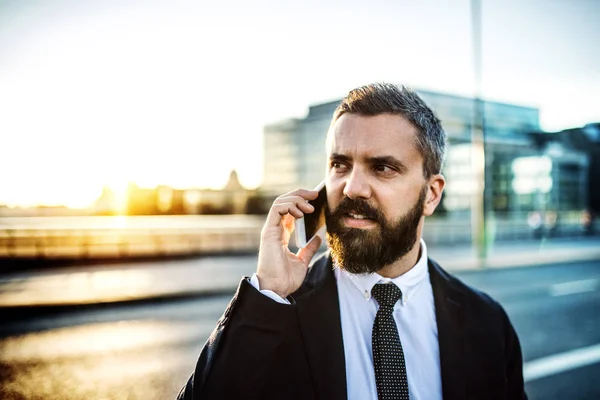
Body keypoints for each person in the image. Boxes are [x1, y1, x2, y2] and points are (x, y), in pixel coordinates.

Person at [177, 83, 527, 400]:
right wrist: (267, 291)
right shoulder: (275, 311)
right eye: (340, 165)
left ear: (431, 195)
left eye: (382, 168)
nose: (352, 187)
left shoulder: (487, 323)